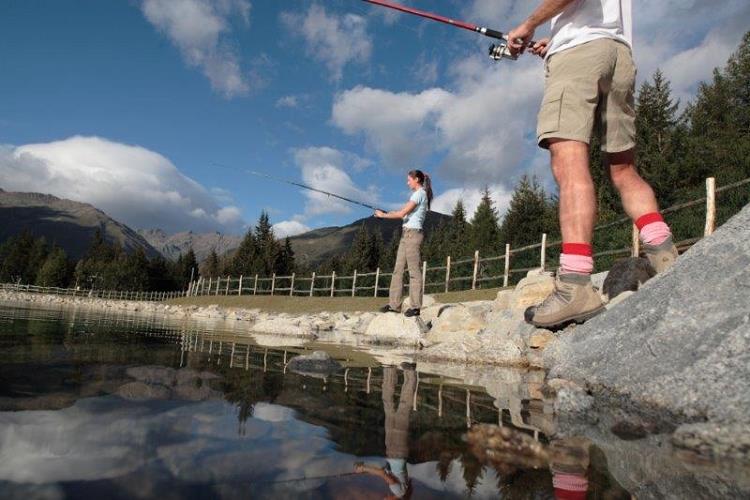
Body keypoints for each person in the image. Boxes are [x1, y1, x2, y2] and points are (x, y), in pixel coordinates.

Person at [507, 0, 679, 329]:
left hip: (581, 54)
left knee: (570, 165)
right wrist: (555, 41)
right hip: (618, 54)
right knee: (624, 170)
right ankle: (666, 259)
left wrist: (528, 25)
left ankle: (575, 286)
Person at [375, 170, 433, 318]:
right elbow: (403, 213)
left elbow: (401, 214)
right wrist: (385, 213)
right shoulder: (416, 195)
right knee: (398, 270)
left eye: (409, 180)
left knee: (414, 272)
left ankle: (415, 307)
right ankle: (394, 305)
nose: (407, 182)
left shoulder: (420, 194)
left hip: (413, 235)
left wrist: (383, 215)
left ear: (417, 179)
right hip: (405, 234)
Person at [354, 365, 417, 499]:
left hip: (393, 451)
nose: (382, 498)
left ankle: (389, 370)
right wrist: (364, 469)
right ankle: (410, 372)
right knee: (403, 407)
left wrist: (381, 470)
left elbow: (387, 473)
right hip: (397, 451)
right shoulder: (398, 492)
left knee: (388, 405)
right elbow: (384, 476)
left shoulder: (400, 492)